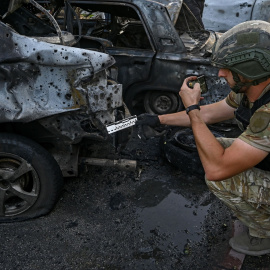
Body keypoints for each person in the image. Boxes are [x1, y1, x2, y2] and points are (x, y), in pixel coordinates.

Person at [136, 20, 270, 256]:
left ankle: (264, 233)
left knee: (218, 177)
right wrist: (158, 119)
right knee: (210, 147)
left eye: (227, 68)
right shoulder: (254, 89)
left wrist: (192, 108)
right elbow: (210, 114)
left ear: (251, 69)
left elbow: (217, 168)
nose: (220, 73)